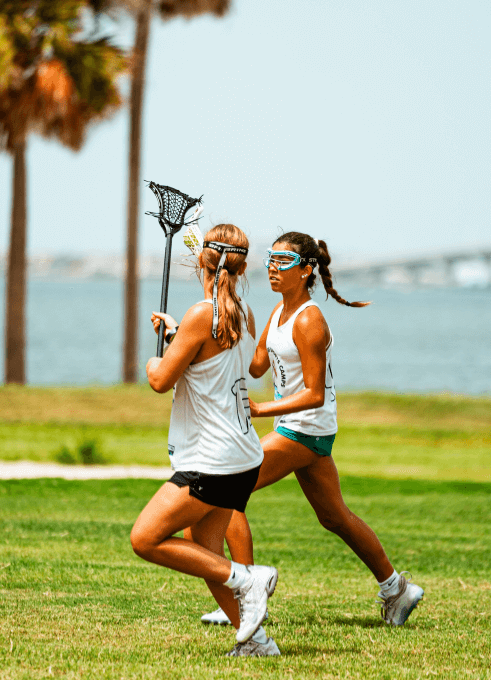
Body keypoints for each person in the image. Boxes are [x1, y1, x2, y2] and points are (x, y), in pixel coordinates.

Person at [200, 231, 423, 629]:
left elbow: (315, 393)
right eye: (269, 260)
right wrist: (195, 335)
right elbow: (253, 367)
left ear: (305, 271)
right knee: (334, 517)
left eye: (282, 262)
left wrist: (261, 408)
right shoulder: (277, 314)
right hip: (298, 428)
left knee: (228, 486)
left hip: (306, 428)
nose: (272, 268)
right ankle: (397, 589)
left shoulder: (310, 320)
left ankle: (244, 591)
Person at [130, 224, 281, 658]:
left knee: (147, 538)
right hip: (242, 456)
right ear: (243, 266)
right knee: (206, 548)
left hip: (210, 459)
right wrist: (179, 335)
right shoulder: (244, 313)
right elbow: (211, 361)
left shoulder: (203, 314)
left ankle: (247, 578)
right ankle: (256, 642)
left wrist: (153, 358)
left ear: (203, 261)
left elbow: (161, 380)